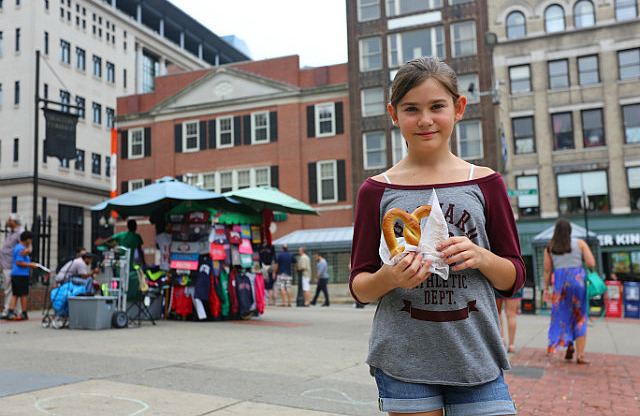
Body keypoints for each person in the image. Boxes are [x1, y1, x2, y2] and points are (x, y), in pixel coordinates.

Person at [349, 56, 525, 416]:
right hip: (403, 360)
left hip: (477, 357)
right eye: (411, 109)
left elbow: (515, 278)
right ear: (394, 114)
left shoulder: (486, 182)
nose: (425, 120)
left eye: (436, 106)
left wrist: (482, 257)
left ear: (458, 108)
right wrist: (388, 276)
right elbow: (360, 286)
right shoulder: (376, 190)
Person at [543, 218, 596, 365]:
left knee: (563, 316)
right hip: (578, 282)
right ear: (570, 230)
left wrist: (546, 288)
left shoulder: (550, 247)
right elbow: (591, 263)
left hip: (561, 285)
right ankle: (580, 355)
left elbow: (547, 269)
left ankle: (568, 345)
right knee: (580, 316)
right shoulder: (580, 243)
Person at [6, 231, 40, 321]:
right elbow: (19, 262)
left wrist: (29, 249)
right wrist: (31, 265)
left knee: (15, 294)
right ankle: (24, 312)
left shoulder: (20, 247)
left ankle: (10, 312)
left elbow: (29, 250)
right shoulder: (21, 249)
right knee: (23, 294)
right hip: (21, 274)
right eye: (31, 240)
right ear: (28, 239)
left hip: (16, 273)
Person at [0, 213, 25, 319]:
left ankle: (7, 311)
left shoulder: (20, 232)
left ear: (14, 221)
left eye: (9, 220)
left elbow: (26, 245)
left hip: (11, 264)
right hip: (5, 263)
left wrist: (28, 250)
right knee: (12, 289)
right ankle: (16, 310)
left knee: (10, 289)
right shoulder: (10, 232)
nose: (7, 222)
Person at [495, 289, 523, 353]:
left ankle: (501, 339)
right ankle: (511, 345)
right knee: (511, 315)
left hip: (498, 285)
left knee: (497, 313)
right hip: (513, 284)